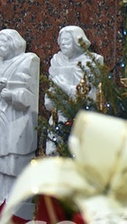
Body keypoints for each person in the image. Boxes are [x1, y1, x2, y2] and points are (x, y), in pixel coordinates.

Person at [0, 29, 39, 201]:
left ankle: (13, 193)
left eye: (3, 42)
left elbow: (30, 92)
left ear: (13, 43)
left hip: (15, 117)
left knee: (12, 157)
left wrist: (13, 96)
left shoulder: (27, 60)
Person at [44, 26, 103, 154]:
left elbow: (93, 99)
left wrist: (67, 88)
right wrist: (52, 95)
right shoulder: (56, 61)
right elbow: (48, 102)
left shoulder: (92, 61)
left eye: (67, 40)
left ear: (77, 41)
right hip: (58, 120)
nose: (63, 43)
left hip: (83, 120)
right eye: (61, 41)